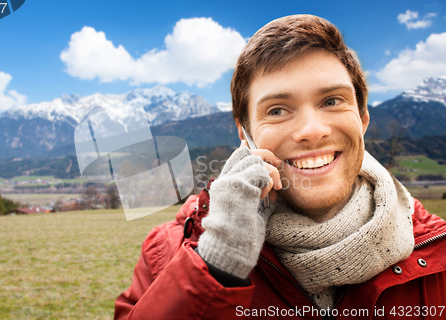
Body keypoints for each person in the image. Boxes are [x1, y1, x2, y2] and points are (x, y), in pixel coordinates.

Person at [114, 15, 446, 319]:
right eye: (277, 110)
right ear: (245, 134)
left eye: (331, 101)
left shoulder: (438, 249)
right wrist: (216, 265)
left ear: (362, 119)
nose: (312, 130)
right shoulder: (170, 251)